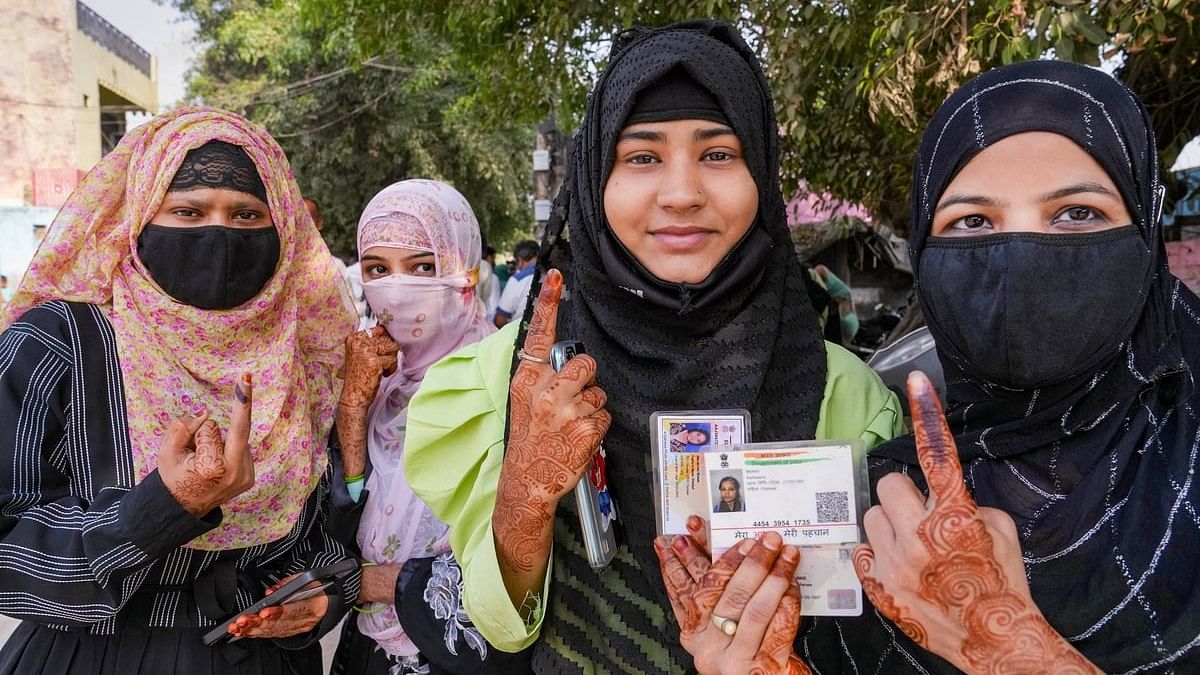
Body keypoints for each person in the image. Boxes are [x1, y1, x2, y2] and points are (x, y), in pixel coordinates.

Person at [402, 20, 903, 674]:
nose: (682, 193)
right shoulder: (500, 382)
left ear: (763, 173)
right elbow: (502, 625)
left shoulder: (846, 392)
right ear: (593, 178)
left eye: (719, 153)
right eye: (641, 157)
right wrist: (525, 493)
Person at [672, 59, 1200, 674]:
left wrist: (1009, 648)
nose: (1022, 258)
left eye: (1077, 213)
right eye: (972, 222)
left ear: (1145, 229)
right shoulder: (885, 504)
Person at [0, 108, 359, 674]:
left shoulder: (304, 357)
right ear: (138, 218)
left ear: (283, 231)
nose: (220, 236)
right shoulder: (60, 342)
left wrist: (324, 595)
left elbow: (333, 538)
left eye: (246, 215)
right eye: (188, 212)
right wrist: (161, 510)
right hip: (92, 659)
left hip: (261, 659)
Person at [326, 179, 529, 674]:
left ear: (466, 268)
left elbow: (522, 559)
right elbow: (335, 527)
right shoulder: (371, 382)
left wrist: (382, 582)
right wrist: (352, 414)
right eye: (378, 269)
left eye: (422, 267)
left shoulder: (507, 380)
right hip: (369, 653)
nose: (397, 287)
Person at [492, 239, 538, 327]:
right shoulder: (556, 274)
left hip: (519, 335)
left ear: (520, 260)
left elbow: (499, 320)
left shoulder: (518, 279)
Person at [477, 242, 502, 322]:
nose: (493, 261)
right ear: (487, 256)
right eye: (493, 258)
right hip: (484, 319)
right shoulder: (490, 274)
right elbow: (494, 303)